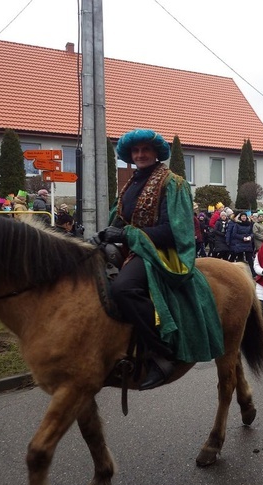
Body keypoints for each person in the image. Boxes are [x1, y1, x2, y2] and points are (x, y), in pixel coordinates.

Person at [93, 129, 223, 390]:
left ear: (156, 153)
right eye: (136, 151)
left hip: (161, 253)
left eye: (146, 150)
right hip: (133, 247)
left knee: (124, 289)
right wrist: (103, 235)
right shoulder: (130, 183)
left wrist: (126, 234)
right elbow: (121, 218)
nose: (140, 154)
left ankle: (161, 354)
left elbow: (173, 233)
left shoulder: (173, 183)